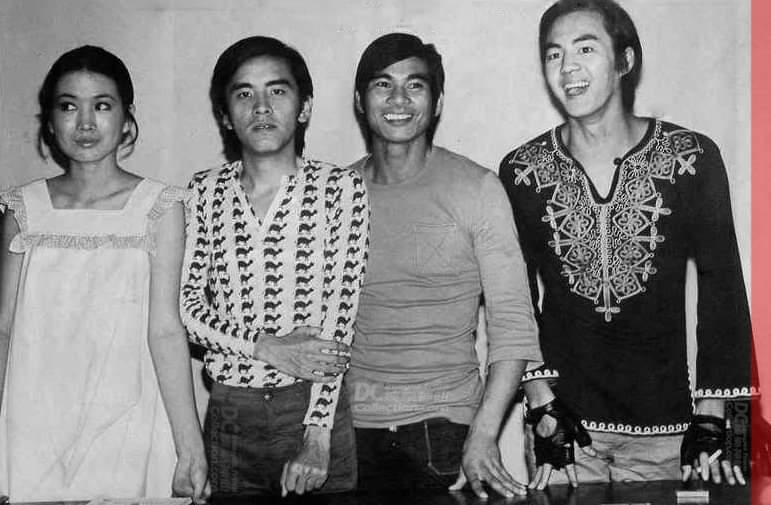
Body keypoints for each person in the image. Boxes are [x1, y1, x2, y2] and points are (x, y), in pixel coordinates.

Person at [498, 0, 757, 487]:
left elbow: (722, 288)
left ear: (625, 60)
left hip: (671, 432)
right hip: (564, 432)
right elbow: (513, 298)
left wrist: (712, 412)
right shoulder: (524, 171)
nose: (568, 67)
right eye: (554, 54)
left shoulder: (690, 158)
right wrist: (539, 399)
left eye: (585, 49)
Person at [0, 46, 208, 502]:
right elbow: (4, 329)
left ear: (127, 117)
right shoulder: (23, 208)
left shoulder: (160, 207)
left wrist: (190, 447)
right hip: (36, 419)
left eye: (102, 105)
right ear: (49, 121)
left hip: (128, 419)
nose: (86, 123)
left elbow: (166, 330)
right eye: (68, 106)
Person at [346, 33, 544, 499]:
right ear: (360, 101)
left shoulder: (477, 189)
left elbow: (514, 325)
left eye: (414, 85)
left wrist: (483, 434)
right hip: (350, 433)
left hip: (444, 431)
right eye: (382, 85)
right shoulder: (338, 193)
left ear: (435, 103)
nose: (398, 99)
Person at [180, 36, 368, 497]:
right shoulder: (204, 191)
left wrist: (317, 437)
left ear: (304, 108)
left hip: (312, 407)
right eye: (244, 93)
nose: (261, 107)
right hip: (231, 411)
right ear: (225, 115)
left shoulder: (340, 189)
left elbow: (337, 324)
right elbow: (187, 310)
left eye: (277, 91)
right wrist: (263, 347)